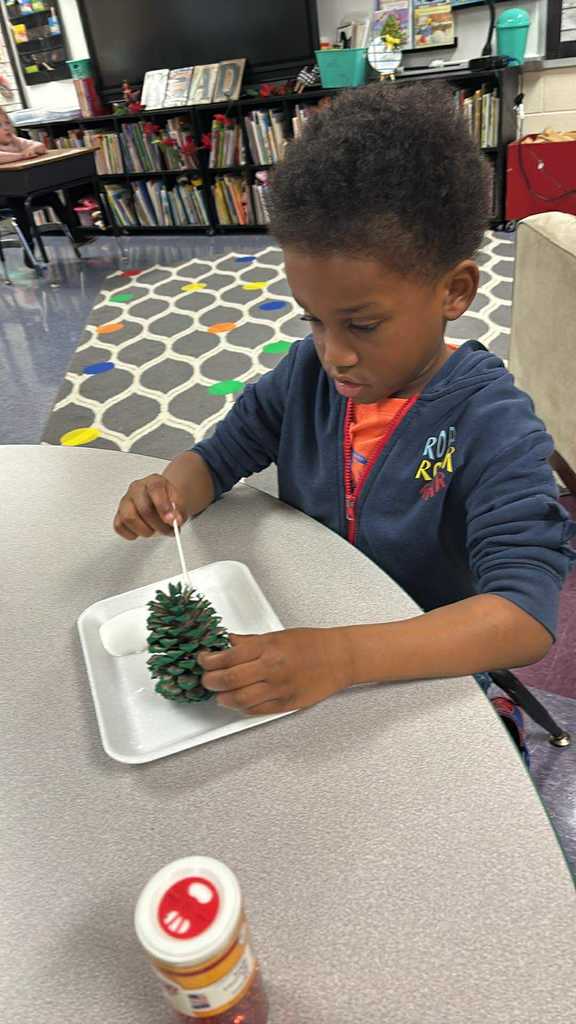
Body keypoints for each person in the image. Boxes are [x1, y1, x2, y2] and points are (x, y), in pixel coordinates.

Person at [113, 82, 575, 733]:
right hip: (298, 638)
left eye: (361, 324)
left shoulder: (494, 424)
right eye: (315, 321)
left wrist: (343, 655)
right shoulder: (310, 372)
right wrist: (170, 490)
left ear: (456, 291)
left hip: (416, 674)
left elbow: (524, 618)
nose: (334, 355)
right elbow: (221, 455)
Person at [0, 107, 88, 262]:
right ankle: (29, 250)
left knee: (51, 195)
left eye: (7, 123)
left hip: (24, 192)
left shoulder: (15, 140)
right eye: (0, 126)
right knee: (20, 208)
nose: (6, 128)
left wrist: (31, 149)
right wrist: (21, 155)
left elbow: (40, 146)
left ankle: (76, 233)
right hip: (5, 197)